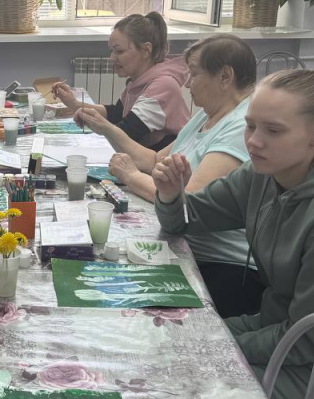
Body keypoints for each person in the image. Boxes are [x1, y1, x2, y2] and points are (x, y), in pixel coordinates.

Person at [153, 69, 314, 399]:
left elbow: (313, 338)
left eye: (273, 131)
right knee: (163, 343)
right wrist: (170, 194)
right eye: (250, 126)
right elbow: (187, 218)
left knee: (177, 390)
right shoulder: (263, 175)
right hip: (275, 331)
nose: (254, 142)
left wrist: (219, 345)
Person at [77, 34, 262, 318]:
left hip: (221, 266)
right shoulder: (207, 114)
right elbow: (153, 160)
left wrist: (131, 176)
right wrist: (106, 128)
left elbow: (187, 203)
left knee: (111, 297)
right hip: (186, 245)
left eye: (195, 74)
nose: (187, 84)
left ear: (225, 76)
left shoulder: (239, 128)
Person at [53, 12, 190, 150]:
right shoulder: (138, 81)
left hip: (163, 167)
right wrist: (74, 104)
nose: (112, 58)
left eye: (119, 51)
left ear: (146, 50)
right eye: (112, 51)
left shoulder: (163, 86)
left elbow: (127, 132)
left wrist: (90, 119)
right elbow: (115, 114)